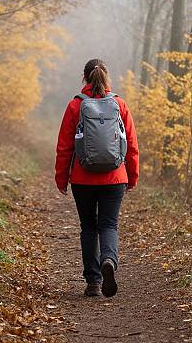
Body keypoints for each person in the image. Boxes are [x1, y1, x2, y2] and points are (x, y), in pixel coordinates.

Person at [55, 58, 139, 298]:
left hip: (82, 178)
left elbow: (64, 147)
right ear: (106, 77)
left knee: (89, 227)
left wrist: (62, 179)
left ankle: (93, 281)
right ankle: (109, 260)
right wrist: (131, 176)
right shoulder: (120, 105)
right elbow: (131, 145)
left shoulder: (75, 106)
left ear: (85, 78)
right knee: (109, 225)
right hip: (115, 177)